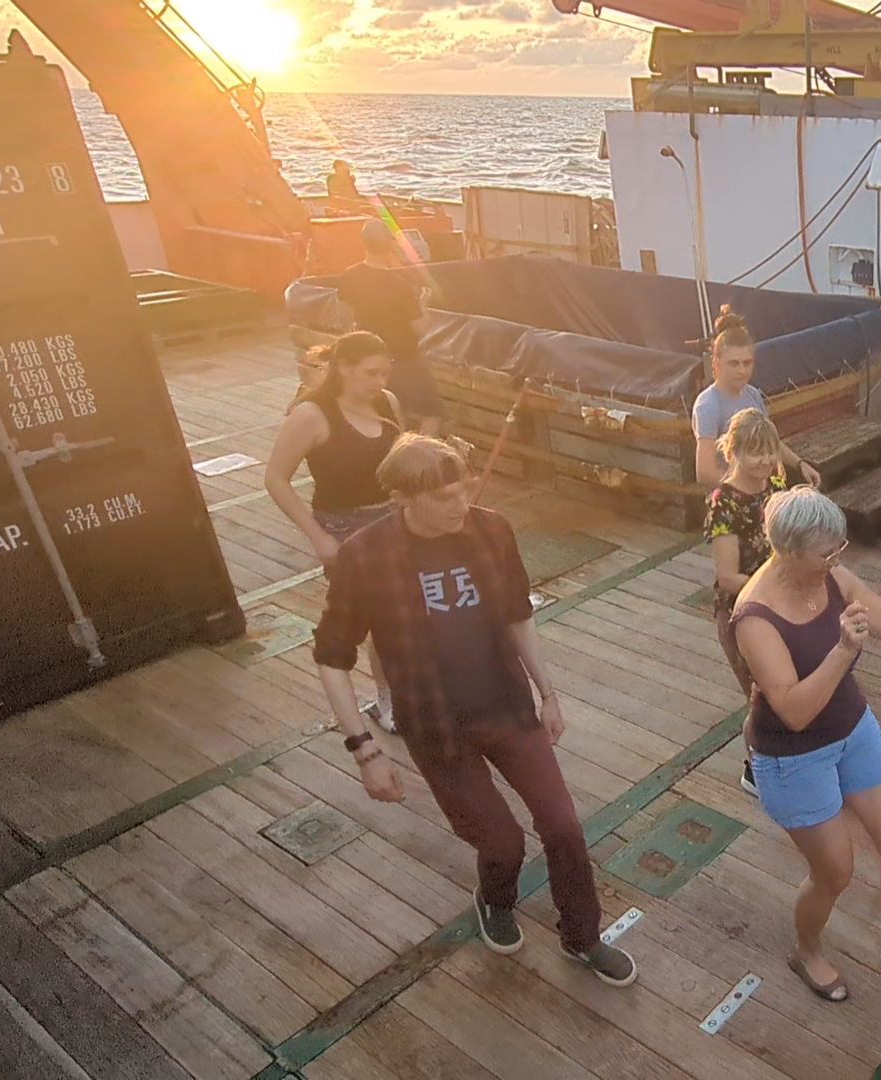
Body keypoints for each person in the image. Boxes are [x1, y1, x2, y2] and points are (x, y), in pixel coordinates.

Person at [312, 434, 637, 987]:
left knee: (563, 826)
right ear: (402, 497)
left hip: (507, 707)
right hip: (438, 730)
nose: (460, 505)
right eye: (444, 498)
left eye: (463, 490)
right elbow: (330, 657)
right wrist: (365, 751)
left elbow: (517, 614)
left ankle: (583, 937)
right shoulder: (364, 556)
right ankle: (495, 899)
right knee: (502, 843)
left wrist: (548, 692)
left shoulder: (491, 530)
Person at [732, 487, 881, 1003]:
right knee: (834, 872)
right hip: (792, 758)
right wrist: (843, 650)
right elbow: (794, 712)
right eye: (825, 553)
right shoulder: (754, 616)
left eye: (839, 549)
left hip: (852, 730)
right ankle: (806, 952)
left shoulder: (832, 576)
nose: (835, 560)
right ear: (787, 550)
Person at [266, 331, 403, 731]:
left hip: (395, 518)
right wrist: (319, 537)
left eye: (385, 372)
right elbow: (275, 479)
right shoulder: (312, 414)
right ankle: (388, 701)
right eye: (371, 373)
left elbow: (404, 460)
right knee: (384, 619)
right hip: (346, 527)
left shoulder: (387, 402)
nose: (380, 381)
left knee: (409, 611)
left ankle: (409, 687)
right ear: (343, 368)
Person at [704, 407, 788, 797]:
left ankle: (782, 756)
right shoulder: (724, 502)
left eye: (770, 450)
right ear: (732, 451)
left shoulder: (775, 484)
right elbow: (728, 577)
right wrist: (778, 589)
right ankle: (753, 768)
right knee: (761, 697)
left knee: (784, 689)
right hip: (742, 613)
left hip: (780, 604)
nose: (765, 460)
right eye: (755, 452)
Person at [336, 218, 447, 436]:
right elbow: (420, 327)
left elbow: (342, 313)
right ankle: (415, 452)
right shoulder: (399, 285)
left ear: (364, 243)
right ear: (390, 245)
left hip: (367, 358)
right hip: (402, 359)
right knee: (435, 413)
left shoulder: (350, 275)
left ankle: (393, 450)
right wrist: (423, 305)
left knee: (392, 414)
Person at [692, 308, 821, 490]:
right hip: (728, 496)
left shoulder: (752, 394)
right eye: (734, 363)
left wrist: (800, 464)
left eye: (747, 363)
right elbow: (704, 472)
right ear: (716, 362)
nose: (741, 370)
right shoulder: (708, 404)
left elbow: (770, 442)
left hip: (761, 486)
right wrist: (745, 491)